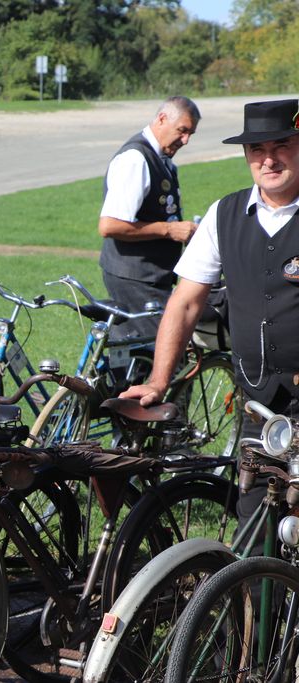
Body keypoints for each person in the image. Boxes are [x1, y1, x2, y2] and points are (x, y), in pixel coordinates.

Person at [122, 98, 299, 548]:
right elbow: (184, 303)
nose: (269, 158)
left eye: (282, 145)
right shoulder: (224, 214)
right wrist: (158, 381)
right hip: (260, 407)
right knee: (254, 532)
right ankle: (256, 618)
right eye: (257, 148)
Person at [99, 96, 201, 339]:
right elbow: (110, 225)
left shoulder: (160, 158)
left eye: (190, 134)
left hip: (150, 276)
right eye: (182, 130)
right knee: (161, 352)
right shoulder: (136, 160)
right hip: (136, 278)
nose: (185, 140)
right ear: (162, 119)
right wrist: (169, 230)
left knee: (139, 354)